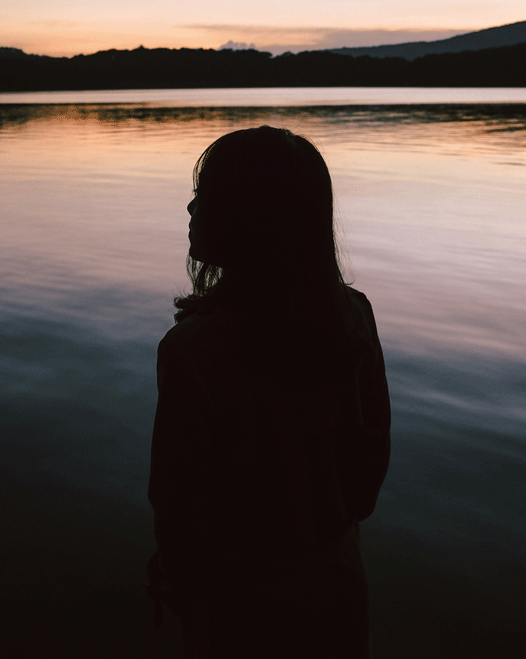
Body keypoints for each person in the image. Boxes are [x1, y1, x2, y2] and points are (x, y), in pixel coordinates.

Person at [146, 126, 391, 658]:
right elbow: (366, 478)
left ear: (247, 215)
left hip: (240, 612)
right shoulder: (354, 318)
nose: (190, 208)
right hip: (338, 590)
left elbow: (181, 513)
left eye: (205, 194)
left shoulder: (194, 352)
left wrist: (178, 586)